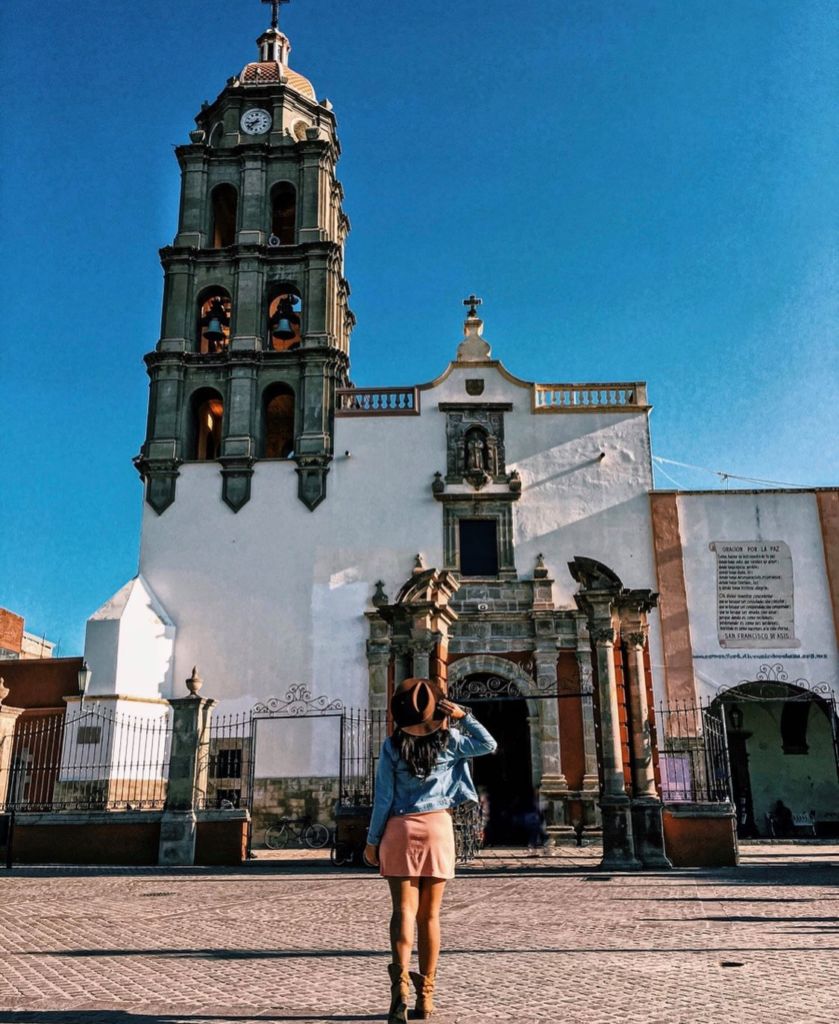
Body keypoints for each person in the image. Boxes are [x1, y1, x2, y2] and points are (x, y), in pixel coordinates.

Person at [364, 677, 497, 1022]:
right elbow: (489, 744)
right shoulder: (451, 740)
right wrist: (464, 714)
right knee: (430, 916)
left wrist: (372, 840)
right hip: (438, 827)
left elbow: (383, 799)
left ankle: (400, 991)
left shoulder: (392, 746)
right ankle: (426, 997)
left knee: (403, 912)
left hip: (399, 828)